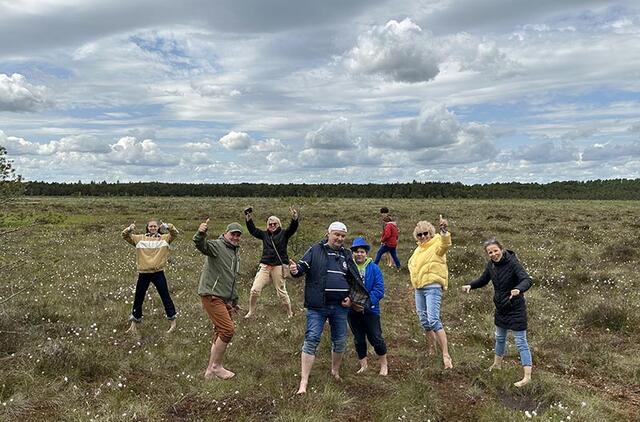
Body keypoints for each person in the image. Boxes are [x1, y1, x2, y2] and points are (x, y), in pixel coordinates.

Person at [289, 221, 370, 394]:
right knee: (311, 340)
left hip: (340, 307)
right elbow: (302, 268)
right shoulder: (315, 250)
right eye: (337, 235)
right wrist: (295, 269)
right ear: (329, 234)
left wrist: (351, 299)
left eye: (342, 236)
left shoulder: (347, 254)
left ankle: (335, 371)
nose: (339, 238)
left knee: (340, 341)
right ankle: (303, 382)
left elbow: (354, 279)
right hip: (317, 306)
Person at [462, 238, 533, 387]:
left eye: (495, 250)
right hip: (501, 308)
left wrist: (519, 289)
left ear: (501, 249)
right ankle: (497, 365)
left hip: (515, 308)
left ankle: (527, 377)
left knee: (521, 342)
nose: (493, 254)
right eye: (490, 252)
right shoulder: (491, 265)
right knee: (500, 338)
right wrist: (471, 285)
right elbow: (483, 280)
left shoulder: (513, 263)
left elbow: (527, 279)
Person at [193, 219, 243, 380]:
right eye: (232, 234)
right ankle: (216, 367)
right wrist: (201, 233)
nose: (235, 237)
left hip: (224, 298)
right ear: (225, 234)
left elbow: (231, 279)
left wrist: (234, 301)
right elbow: (201, 245)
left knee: (219, 332)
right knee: (227, 330)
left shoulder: (235, 253)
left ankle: (209, 371)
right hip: (212, 295)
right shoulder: (217, 246)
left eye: (238, 235)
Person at [408, 215, 453, 369]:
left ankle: (446, 354)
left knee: (433, 319)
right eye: (420, 234)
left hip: (432, 287)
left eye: (426, 233)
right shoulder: (418, 250)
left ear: (431, 233)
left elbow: (445, 245)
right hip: (419, 288)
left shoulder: (437, 243)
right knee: (424, 320)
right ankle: (431, 349)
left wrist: (444, 231)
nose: (423, 237)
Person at [122, 219, 178, 334]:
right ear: (147, 227)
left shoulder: (165, 238)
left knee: (165, 297)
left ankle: (173, 321)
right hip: (144, 273)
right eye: (151, 226)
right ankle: (134, 324)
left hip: (158, 273)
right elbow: (124, 235)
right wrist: (129, 228)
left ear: (158, 227)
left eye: (155, 226)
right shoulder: (139, 238)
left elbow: (175, 233)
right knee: (138, 298)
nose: (153, 228)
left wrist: (168, 226)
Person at [244, 206, 299, 318]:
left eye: (275, 224)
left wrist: (294, 218)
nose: (272, 226)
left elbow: (292, 228)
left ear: (279, 224)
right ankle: (251, 312)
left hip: (278, 266)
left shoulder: (284, 233)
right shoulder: (264, 234)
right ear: (267, 226)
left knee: (281, 292)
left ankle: (289, 313)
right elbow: (253, 230)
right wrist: (248, 217)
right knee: (255, 290)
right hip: (265, 265)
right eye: (270, 224)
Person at [348, 236, 388, 376]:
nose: (359, 254)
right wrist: (352, 303)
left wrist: (365, 304)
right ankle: (363, 365)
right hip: (352, 310)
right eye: (356, 251)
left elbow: (379, 289)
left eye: (362, 251)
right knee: (358, 338)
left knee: (376, 337)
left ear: (366, 253)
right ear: (352, 252)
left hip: (371, 310)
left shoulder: (374, 268)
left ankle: (384, 364)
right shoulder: (348, 267)